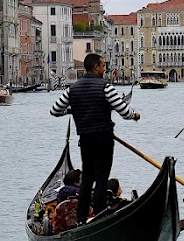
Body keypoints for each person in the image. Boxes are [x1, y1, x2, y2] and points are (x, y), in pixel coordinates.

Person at [50, 53, 140, 225]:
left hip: (85, 141)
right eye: (103, 66)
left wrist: (72, 111)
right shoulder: (105, 87)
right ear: (96, 67)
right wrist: (134, 115)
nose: (104, 69)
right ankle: (99, 216)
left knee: (87, 180)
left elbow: (55, 110)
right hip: (104, 140)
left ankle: (81, 219)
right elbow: (123, 110)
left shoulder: (72, 89)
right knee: (101, 179)